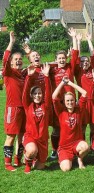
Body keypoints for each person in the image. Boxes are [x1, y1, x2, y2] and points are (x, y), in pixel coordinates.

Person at [49, 27, 79, 158]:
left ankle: (74, 147)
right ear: (56, 59)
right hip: (58, 104)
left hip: (70, 102)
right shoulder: (52, 70)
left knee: (72, 126)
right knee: (56, 128)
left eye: (63, 58)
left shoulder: (70, 67)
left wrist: (73, 38)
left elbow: (76, 54)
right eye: (59, 59)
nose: (61, 60)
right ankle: (55, 150)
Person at [52, 77, 89, 172]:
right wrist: (62, 83)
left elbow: (84, 93)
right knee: (66, 168)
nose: (70, 103)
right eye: (67, 101)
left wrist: (71, 83)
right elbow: (54, 97)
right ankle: (63, 157)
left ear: (75, 101)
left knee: (85, 147)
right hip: (64, 147)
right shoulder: (60, 111)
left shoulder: (79, 110)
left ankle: (80, 159)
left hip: (77, 143)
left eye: (72, 100)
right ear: (64, 102)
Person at [2, 31, 26, 171]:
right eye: (15, 59)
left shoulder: (22, 74)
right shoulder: (9, 73)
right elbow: (4, 60)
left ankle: (18, 159)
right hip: (13, 109)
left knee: (22, 136)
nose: (18, 61)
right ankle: (7, 163)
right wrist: (11, 42)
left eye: (20, 59)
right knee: (11, 137)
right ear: (11, 62)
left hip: (24, 109)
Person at [22, 63, 51, 174]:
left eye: (39, 93)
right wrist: (28, 77)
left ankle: (34, 159)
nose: (37, 95)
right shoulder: (27, 105)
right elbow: (24, 94)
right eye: (35, 94)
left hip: (42, 139)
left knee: (41, 167)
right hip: (31, 137)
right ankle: (27, 162)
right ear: (32, 95)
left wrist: (47, 77)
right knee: (32, 150)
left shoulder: (46, 105)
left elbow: (48, 92)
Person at [74, 32, 94, 143]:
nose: (85, 63)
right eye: (83, 61)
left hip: (93, 102)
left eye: (87, 61)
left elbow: (93, 54)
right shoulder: (78, 71)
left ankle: (93, 145)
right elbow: (76, 57)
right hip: (83, 102)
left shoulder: (93, 69)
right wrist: (78, 41)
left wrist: (88, 40)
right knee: (82, 126)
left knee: (93, 126)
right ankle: (82, 144)